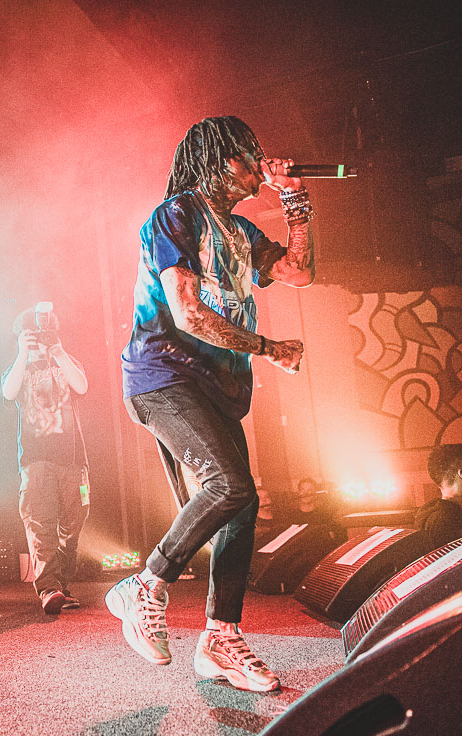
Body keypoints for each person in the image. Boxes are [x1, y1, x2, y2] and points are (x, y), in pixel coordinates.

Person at [107, 116, 313, 692]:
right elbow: (187, 313)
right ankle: (143, 586)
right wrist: (268, 347)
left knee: (240, 508)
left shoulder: (242, 231)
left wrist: (294, 202)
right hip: (163, 378)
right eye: (250, 157)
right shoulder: (175, 215)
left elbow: (300, 270)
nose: (258, 167)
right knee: (232, 487)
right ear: (221, 161)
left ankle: (221, 639)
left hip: (219, 387)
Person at [2, 302, 90, 614]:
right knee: (39, 524)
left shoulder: (64, 359)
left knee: (72, 526)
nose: (41, 336)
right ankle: (49, 588)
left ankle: (62, 586)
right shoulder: (19, 368)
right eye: (35, 332)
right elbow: (9, 393)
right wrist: (23, 353)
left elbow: (81, 385)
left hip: (72, 458)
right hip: (35, 459)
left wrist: (59, 352)